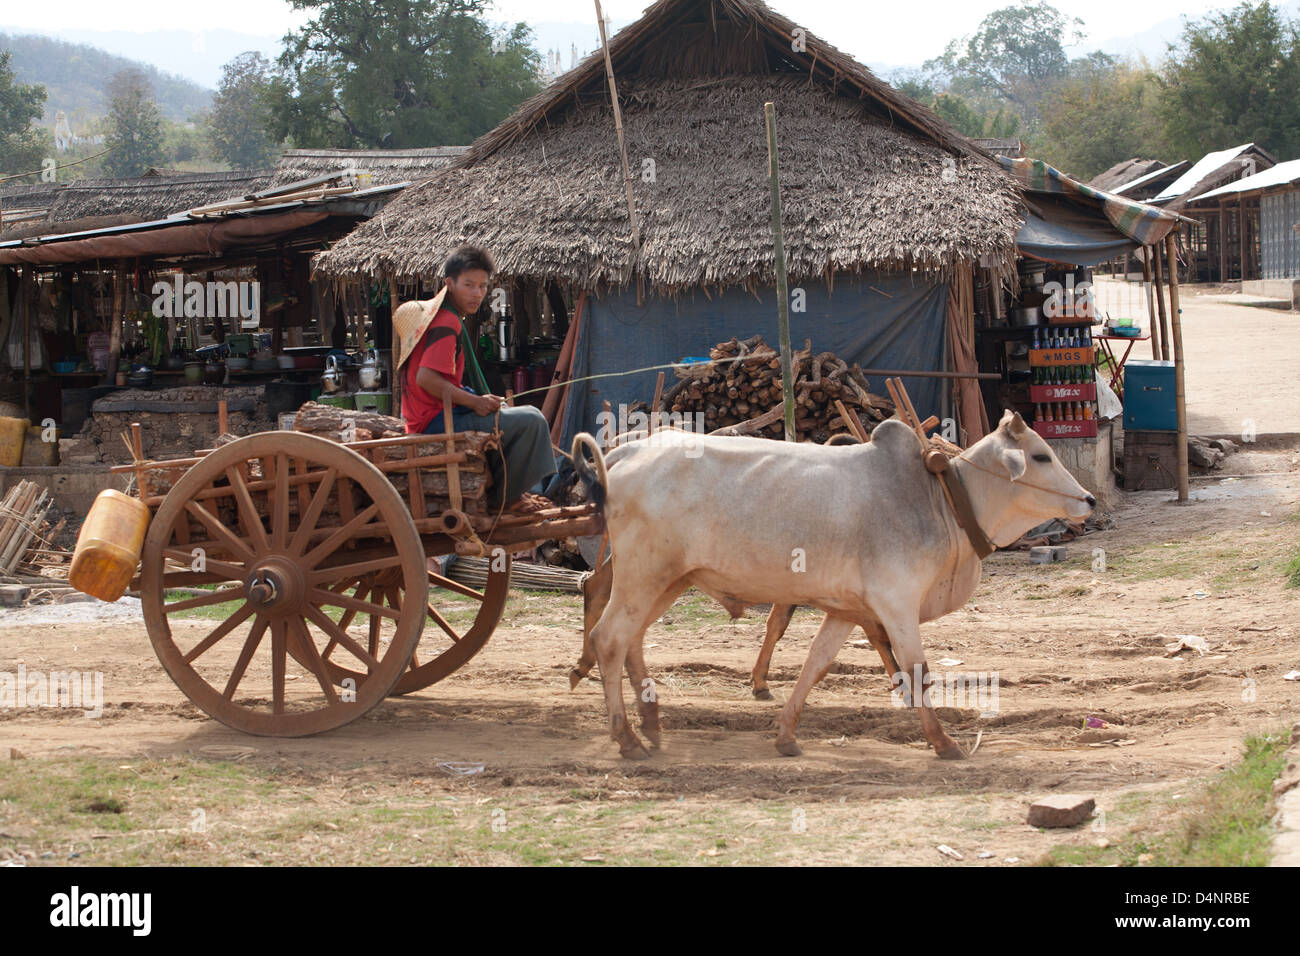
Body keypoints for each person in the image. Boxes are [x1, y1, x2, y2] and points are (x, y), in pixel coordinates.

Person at [393, 246, 556, 514]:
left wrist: (475, 400)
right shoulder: (447, 322)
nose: (477, 293)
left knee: (511, 414)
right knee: (533, 420)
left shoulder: (441, 318)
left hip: (425, 417)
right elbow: (427, 378)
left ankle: (501, 490)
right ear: (450, 284)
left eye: (482, 286)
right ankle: (505, 498)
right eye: (469, 285)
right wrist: (474, 401)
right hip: (434, 423)